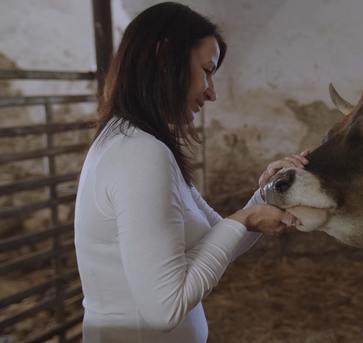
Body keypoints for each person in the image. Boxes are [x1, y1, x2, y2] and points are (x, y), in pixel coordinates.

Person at [74, 2, 306, 342]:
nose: (211, 92)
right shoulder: (139, 153)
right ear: (165, 59)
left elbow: (219, 239)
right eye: (207, 71)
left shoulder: (137, 142)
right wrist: (244, 219)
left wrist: (267, 195)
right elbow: (164, 308)